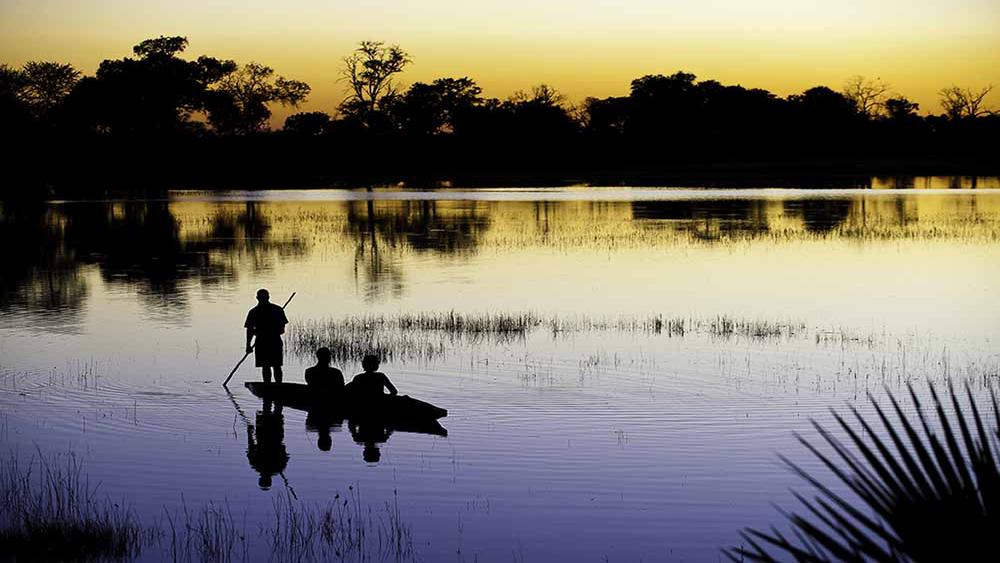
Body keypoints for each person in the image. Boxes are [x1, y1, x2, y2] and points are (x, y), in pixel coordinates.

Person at [244, 289, 288, 383]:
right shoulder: (275, 310)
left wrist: (249, 344)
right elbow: (250, 330)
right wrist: (248, 345)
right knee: (269, 366)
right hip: (263, 342)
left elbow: (281, 329)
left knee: (273, 366)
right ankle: (271, 386)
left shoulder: (276, 310)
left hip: (271, 341)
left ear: (257, 298)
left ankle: (276, 386)